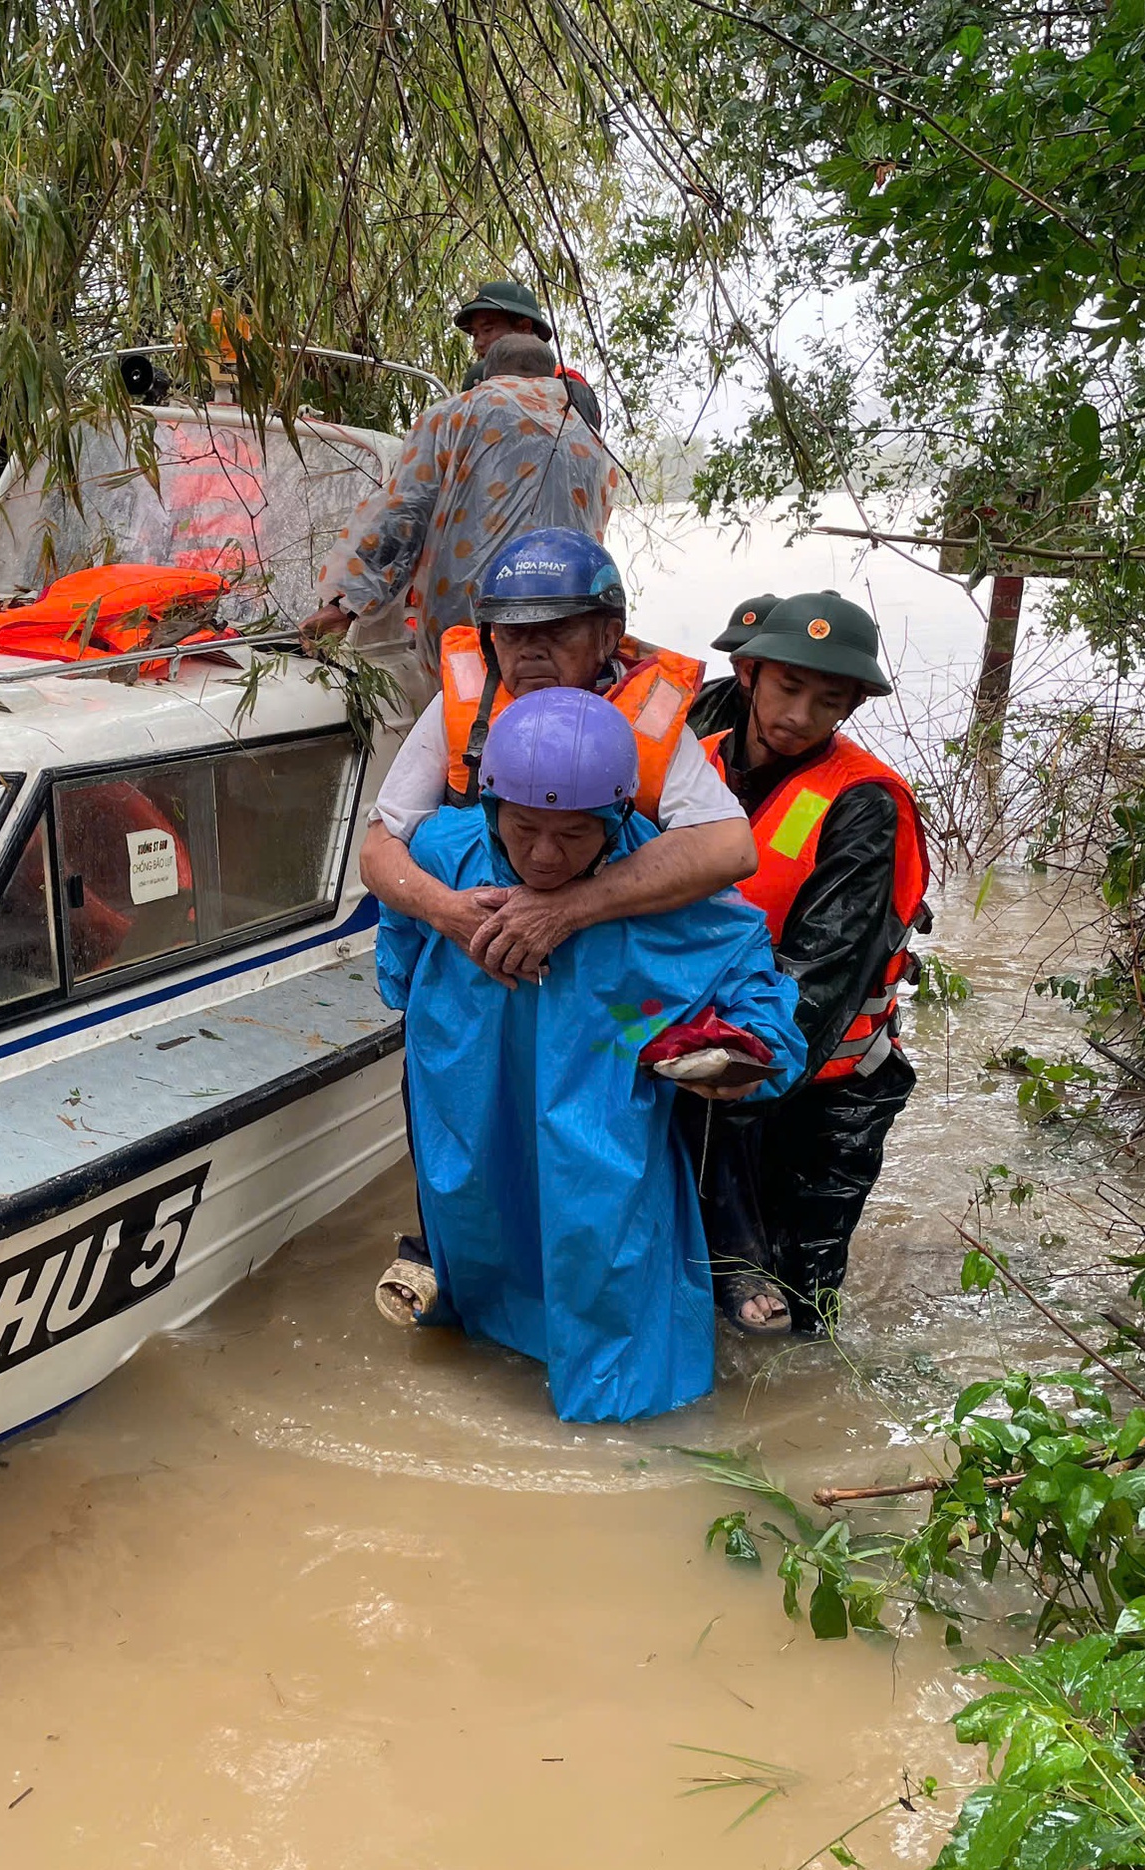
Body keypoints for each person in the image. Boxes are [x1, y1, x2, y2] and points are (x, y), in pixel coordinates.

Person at [373, 688, 805, 1422]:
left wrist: (737, 1056)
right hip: (476, 1109)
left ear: (614, 821)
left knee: (602, 1273)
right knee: (481, 1257)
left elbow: (751, 990)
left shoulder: (658, 890)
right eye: (523, 828)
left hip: (595, 1134)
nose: (543, 855)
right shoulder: (448, 859)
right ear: (490, 810)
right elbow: (399, 958)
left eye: (572, 836)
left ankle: (623, 1445)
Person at [683, 590, 930, 1337]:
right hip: (702, 1065)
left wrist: (742, 1071)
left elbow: (822, 972)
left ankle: (798, 1426)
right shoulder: (693, 758)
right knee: (690, 1270)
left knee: (798, 1307)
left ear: (850, 707)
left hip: (820, 1091)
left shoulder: (863, 805)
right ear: (751, 674)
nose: (799, 713)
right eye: (788, 686)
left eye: (828, 700)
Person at [357, 527, 755, 984]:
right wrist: (451, 914)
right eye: (513, 634)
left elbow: (732, 850)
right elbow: (377, 852)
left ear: (608, 637)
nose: (529, 652)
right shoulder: (463, 704)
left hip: (598, 985)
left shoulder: (647, 715)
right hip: (472, 981)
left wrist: (568, 907)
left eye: (555, 632)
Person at [302, 333, 617, 667]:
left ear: (488, 373)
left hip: (469, 623)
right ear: (549, 373)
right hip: (567, 625)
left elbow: (404, 513)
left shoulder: (455, 415)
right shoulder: (587, 437)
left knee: (468, 709)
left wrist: (346, 604)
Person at [453, 278, 606, 431]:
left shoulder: (568, 389)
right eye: (475, 334)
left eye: (488, 330)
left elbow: (577, 449)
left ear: (524, 327)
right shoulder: (478, 385)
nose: (479, 343)